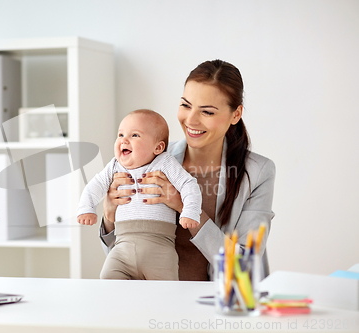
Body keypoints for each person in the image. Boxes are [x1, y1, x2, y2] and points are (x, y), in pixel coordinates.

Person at [99, 60, 276, 281]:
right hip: (153, 299)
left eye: (207, 112)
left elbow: (244, 267)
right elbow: (122, 259)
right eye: (185, 105)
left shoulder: (257, 172)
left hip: (217, 306)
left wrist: (185, 205)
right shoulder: (151, 158)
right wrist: (109, 214)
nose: (190, 120)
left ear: (236, 114)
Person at [77, 109, 202, 280]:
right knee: (107, 279)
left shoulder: (164, 162)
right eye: (120, 134)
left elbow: (188, 184)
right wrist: (87, 208)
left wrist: (190, 211)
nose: (124, 140)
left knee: (165, 295)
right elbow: (94, 186)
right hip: (122, 248)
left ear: (158, 147)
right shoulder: (114, 166)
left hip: (160, 248)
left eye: (134, 135)